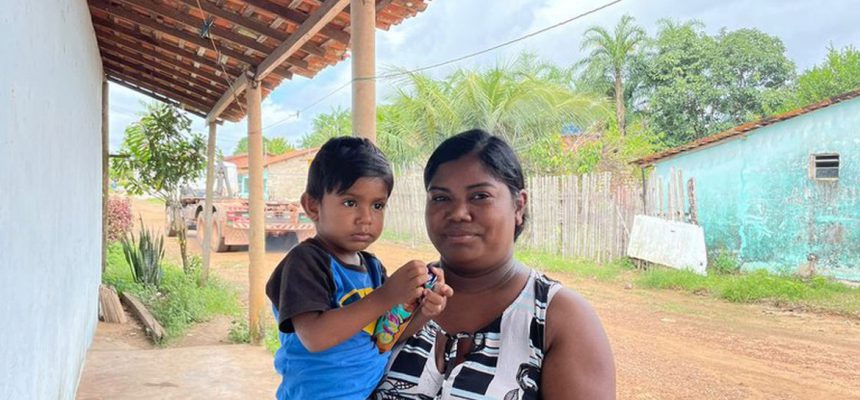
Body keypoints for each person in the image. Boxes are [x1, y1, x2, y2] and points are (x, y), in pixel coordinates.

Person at [375, 129, 616, 399]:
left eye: (480, 196)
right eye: (441, 197)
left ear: (518, 206)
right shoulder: (401, 294)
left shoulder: (558, 318)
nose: (458, 213)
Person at [265, 137, 453, 400]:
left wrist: (424, 312)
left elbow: (386, 337)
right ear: (312, 206)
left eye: (377, 205)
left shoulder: (373, 268)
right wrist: (387, 295)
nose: (366, 218)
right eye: (350, 202)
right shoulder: (306, 262)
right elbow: (315, 338)